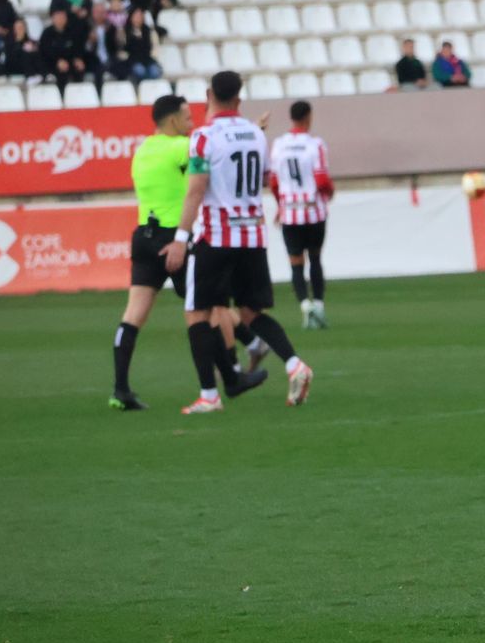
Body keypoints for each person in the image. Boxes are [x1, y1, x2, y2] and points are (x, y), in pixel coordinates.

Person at [160, 71, 315, 414]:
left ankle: (209, 395)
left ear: (208, 95)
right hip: (252, 236)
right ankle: (294, 365)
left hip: (216, 236)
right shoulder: (256, 135)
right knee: (249, 312)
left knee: (196, 313)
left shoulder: (203, 136)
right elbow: (264, 180)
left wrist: (180, 239)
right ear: (239, 99)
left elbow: (196, 190)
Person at [111, 94, 269, 411]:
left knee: (133, 315)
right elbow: (221, 150)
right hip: (174, 240)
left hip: (143, 236)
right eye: (186, 117)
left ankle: (121, 389)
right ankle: (231, 377)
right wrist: (253, 129)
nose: (192, 122)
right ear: (172, 121)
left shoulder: (143, 150)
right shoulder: (181, 147)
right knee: (205, 310)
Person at [269, 101, 333, 330]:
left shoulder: (279, 145)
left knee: (295, 262)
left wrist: (280, 205)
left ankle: (305, 306)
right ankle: (319, 305)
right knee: (315, 258)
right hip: (313, 211)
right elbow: (322, 180)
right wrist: (330, 193)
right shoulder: (315, 145)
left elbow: (274, 182)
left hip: (290, 212)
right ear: (308, 117)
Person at [37, 7, 86, 91]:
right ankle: (61, 95)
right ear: (53, 19)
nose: (61, 20)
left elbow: (77, 48)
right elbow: (45, 52)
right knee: (61, 73)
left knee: (79, 69)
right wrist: (57, 62)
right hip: (51, 64)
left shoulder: (71, 32)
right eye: (58, 17)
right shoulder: (47, 34)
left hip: (69, 62)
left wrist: (77, 59)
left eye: (63, 17)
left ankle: (78, 94)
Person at [118, 8, 162, 81]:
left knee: (155, 71)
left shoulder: (149, 31)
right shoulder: (124, 31)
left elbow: (154, 47)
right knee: (140, 71)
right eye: (136, 16)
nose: (138, 19)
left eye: (140, 16)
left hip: (147, 59)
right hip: (132, 60)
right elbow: (122, 49)